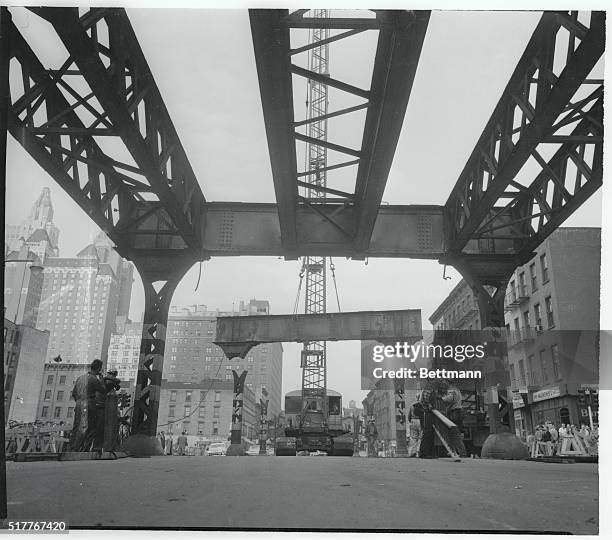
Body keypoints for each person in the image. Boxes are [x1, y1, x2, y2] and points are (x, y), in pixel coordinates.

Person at [69, 359, 107, 452]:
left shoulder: (80, 378)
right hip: (89, 405)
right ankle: (84, 449)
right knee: (91, 427)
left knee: (77, 427)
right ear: (98, 369)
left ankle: (73, 448)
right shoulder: (94, 379)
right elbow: (103, 391)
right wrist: (101, 378)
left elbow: (74, 393)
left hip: (78, 404)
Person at [418, 378, 449, 458]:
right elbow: (426, 395)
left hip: (432, 411)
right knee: (428, 432)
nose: (443, 391)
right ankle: (424, 453)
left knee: (431, 432)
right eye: (442, 389)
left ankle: (429, 453)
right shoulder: (432, 385)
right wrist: (429, 405)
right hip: (428, 412)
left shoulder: (437, 386)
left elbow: (439, 396)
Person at [440, 382, 467, 457]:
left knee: (454, 433)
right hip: (458, 411)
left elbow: (449, 399)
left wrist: (440, 398)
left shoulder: (451, 389)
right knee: (455, 433)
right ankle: (455, 452)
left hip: (454, 412)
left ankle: (461, 453)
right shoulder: (456, 389)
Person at [103, 370, 121, 452]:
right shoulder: (107, 384)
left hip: (112, 413)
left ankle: (110, 446)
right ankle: (108, 447)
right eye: (113, 375)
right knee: (108, 428)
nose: (114, 377)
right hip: (108, 413)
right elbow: (110, 381)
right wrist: (115, 383)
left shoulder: (110, 391)